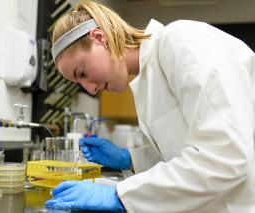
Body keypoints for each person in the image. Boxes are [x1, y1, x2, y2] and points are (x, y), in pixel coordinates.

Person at [45, 0, 255, 212]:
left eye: (82, 73)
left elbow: (225, 156)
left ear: (100, 38)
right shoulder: (147, 79)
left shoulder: (181, 39)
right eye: (79, 83)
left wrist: (119, 196)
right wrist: (130, 159)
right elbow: (184, 153)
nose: (90, 89)